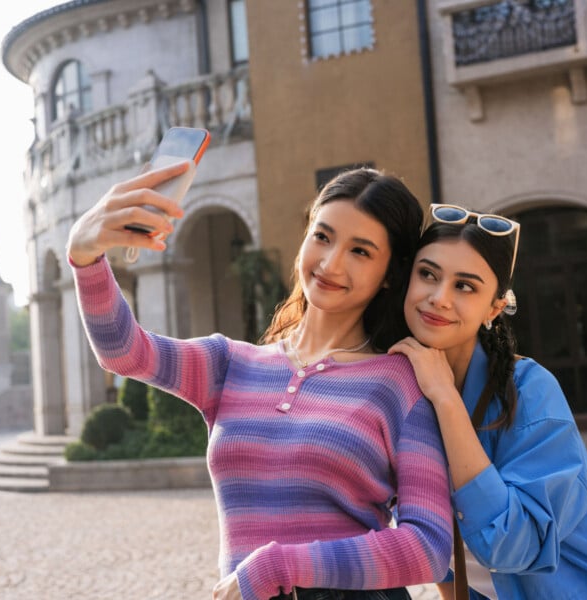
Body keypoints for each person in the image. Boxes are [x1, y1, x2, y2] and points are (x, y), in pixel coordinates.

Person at [66, 163, 453, 600]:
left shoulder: (399, 382)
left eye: (360, 251)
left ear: (389, 275)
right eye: (322, 236)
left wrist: (276, 566)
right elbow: (124, 351)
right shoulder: (231, 364)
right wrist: (85, 255)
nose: (330, 263)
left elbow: (428, 547)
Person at [389, 205, 587, 599]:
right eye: (428, 274)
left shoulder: (528, 391)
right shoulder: (399, 393)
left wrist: (446, 399)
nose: (439, 298)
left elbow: (513, 547)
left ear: (493, 308)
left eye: (465, 286)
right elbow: (436, 550)